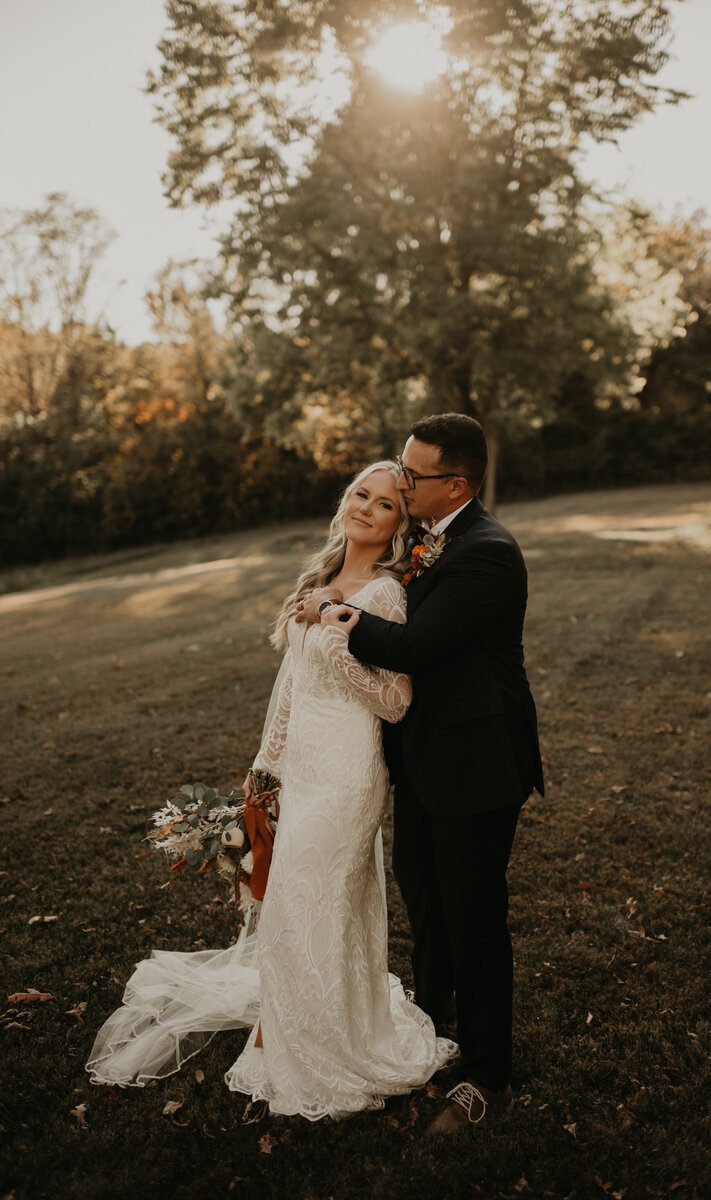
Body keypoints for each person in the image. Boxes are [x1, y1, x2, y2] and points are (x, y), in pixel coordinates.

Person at [87, 461, 457, 1119]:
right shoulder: (319, 579)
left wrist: (342, 637)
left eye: (384, 505)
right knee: (287, 910)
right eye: (359, 495)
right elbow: (289, 688)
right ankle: (286, 1032)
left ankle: (324, 1050)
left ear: (401, 526)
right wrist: (262, 773)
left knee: (308, 909)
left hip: (347, 776)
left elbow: (396, 701)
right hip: (297, 770)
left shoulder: (384, 595)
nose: (367, 509)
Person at [298, 414, 543, 1134]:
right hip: (424, 763)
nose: (401, 484)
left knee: (473, 922)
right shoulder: (432, 542)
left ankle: (488, 1081)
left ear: (455, 484)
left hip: (477, 764)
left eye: (412, 476)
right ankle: (435, 1037)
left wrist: (330, 610)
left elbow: (416, 646)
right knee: (429, 910)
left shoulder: (487, 553)